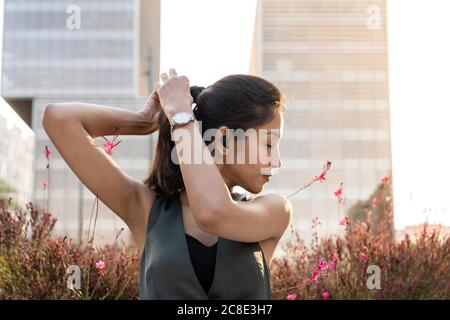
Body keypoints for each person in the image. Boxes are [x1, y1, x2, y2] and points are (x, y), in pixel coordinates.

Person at [41, 68, 292, 299]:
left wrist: (179, 116)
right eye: (269, 144)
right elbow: (58, 119)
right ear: (224, 140)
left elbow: (213, 213)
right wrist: (144, 121)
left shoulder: (274, 211)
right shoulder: (147, 210)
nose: (277, 161)